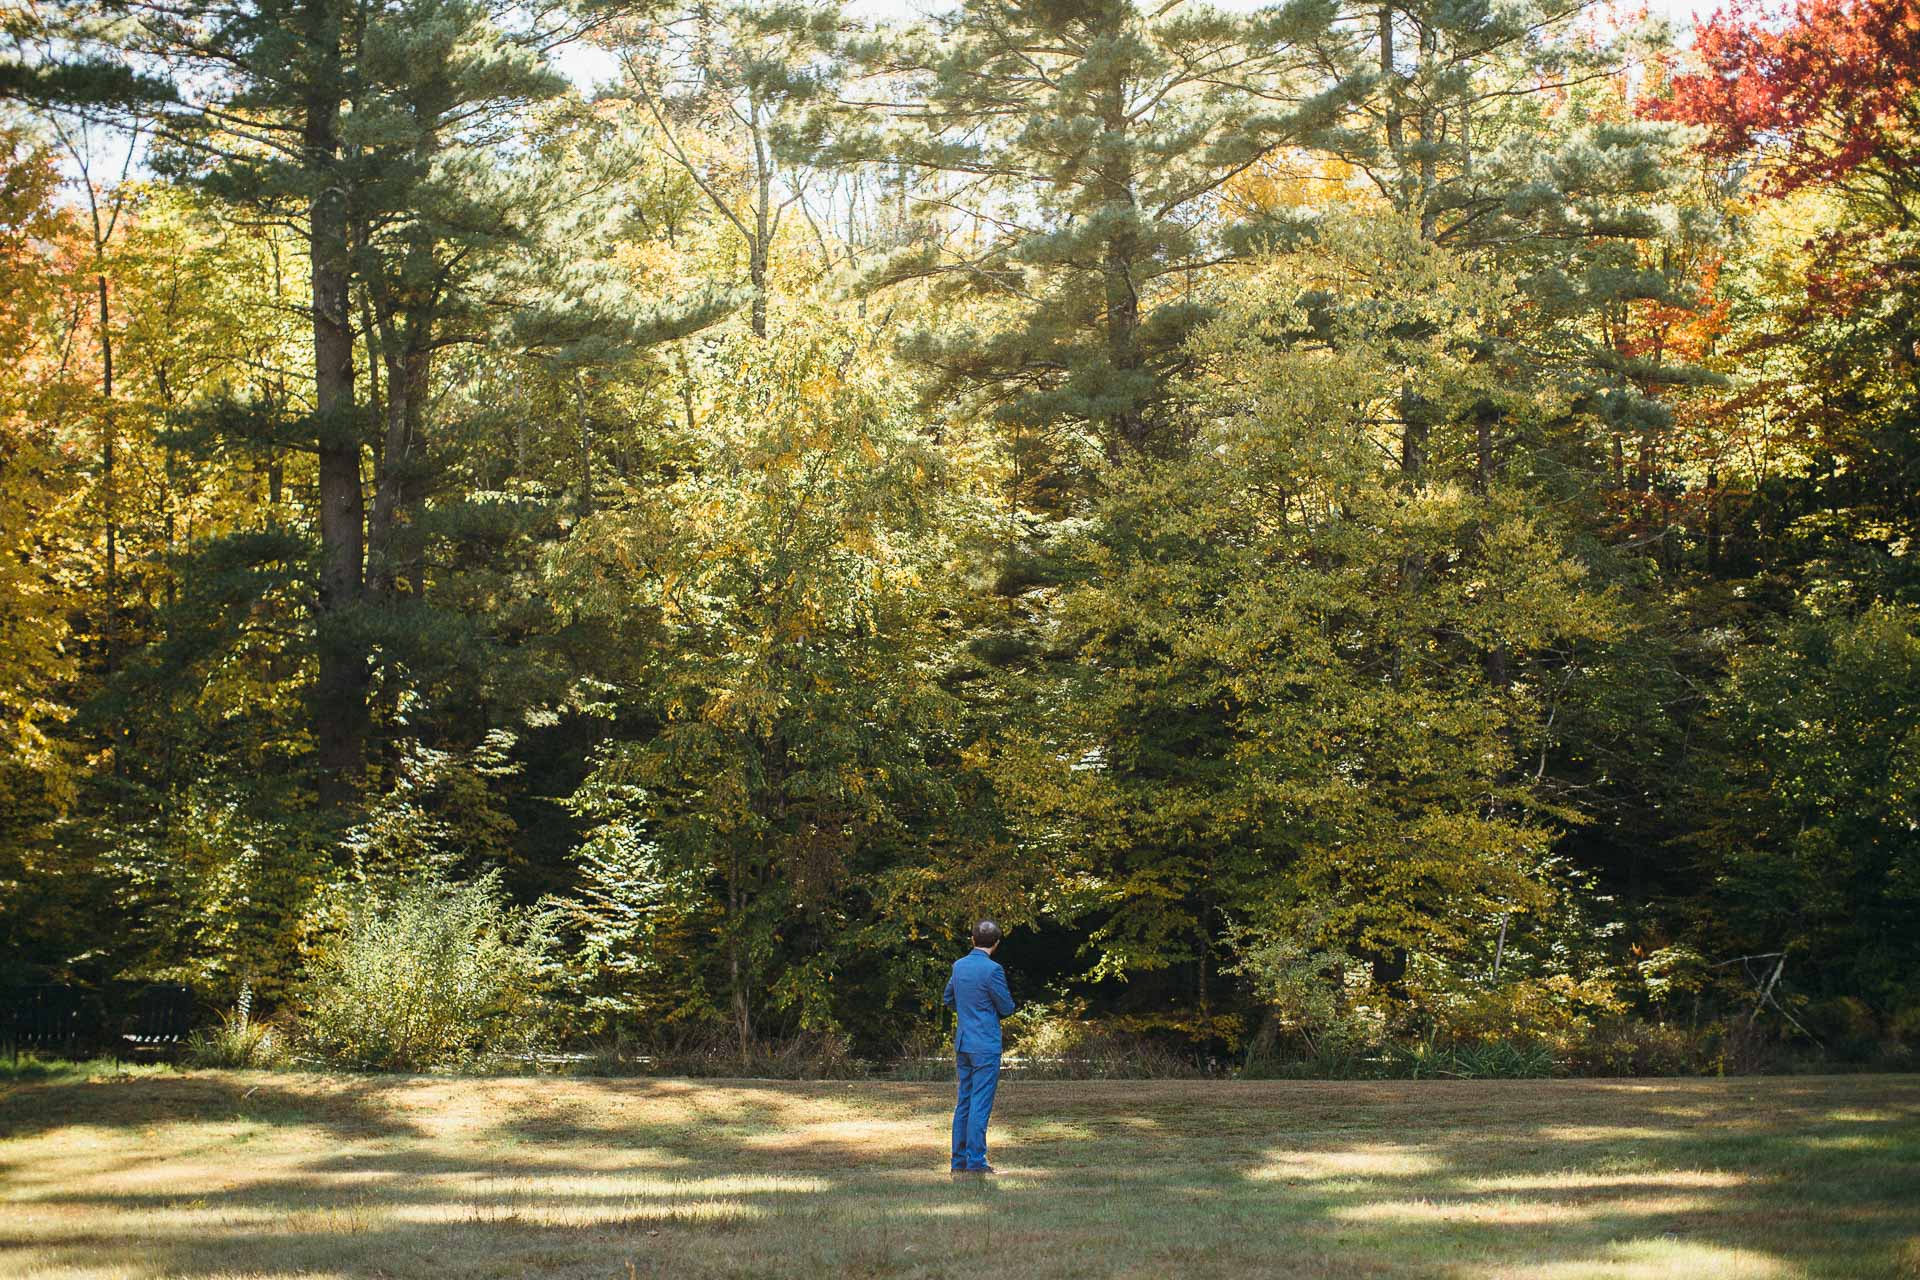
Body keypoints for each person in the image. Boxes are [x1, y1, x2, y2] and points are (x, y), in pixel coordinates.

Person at [943, 919, 1016, 1174]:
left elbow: (948, 997)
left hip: (964, 1041)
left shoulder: (959, 966)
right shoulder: (992, 970)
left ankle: (958, 1161)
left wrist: (967, 1011)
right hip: (985, 1043)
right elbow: (1006, 1007)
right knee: (980, 1103)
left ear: (973, 939)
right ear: (996, 943)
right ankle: (976, 1162)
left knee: (964, 1101)